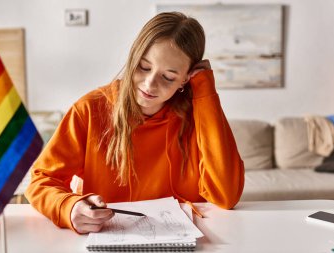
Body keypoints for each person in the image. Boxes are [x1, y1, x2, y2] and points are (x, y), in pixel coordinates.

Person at [25, 11, 244, 234]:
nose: (150, 84)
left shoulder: (198, 115)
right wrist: (68, 207)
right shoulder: (89, 110)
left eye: (168, 77)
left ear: (186, 78)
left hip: (184, 243)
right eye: (144, 67)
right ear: (133, 57)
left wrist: (205, 88)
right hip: (107, 239)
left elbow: (226, 195)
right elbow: (41, 181)